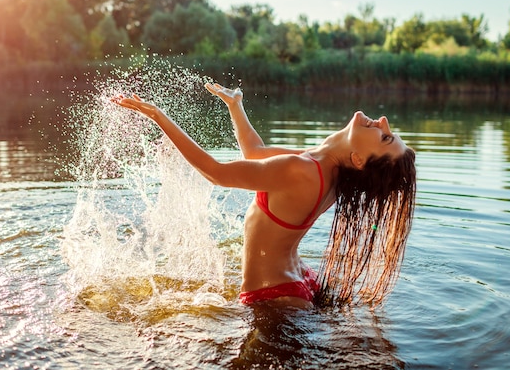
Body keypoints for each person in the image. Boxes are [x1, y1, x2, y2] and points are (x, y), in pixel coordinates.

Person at [112, 83, 416, 308]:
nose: (384, 121)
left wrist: (160, 118)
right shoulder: (326, 170)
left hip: (273, 293)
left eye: (386, 137)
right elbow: (255, 154)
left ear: (359, 159)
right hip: (295, 280)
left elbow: (216, 172)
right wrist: (236, 106)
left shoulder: (303, 169)